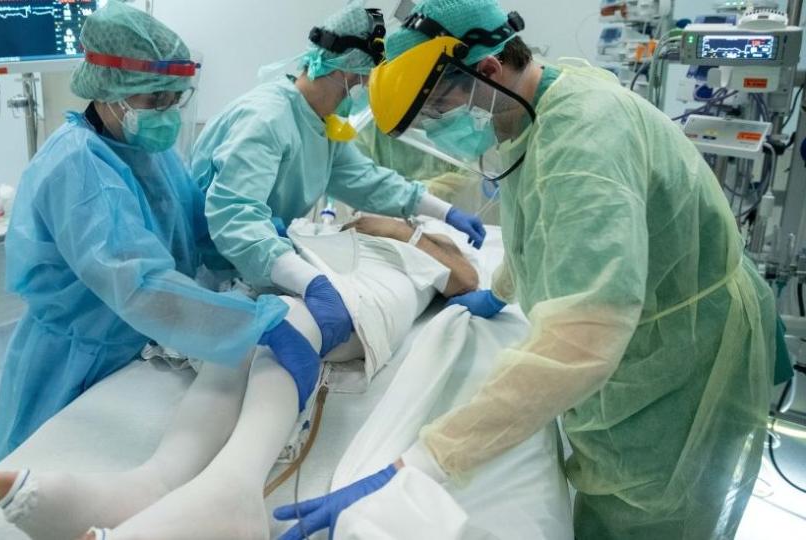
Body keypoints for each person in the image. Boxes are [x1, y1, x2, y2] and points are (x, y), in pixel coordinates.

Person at [275, 1, 781, 539]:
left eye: (438, 111)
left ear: (487, 71)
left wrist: (423, 461)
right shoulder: (536, 105)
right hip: (654, 325)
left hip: (682, 358)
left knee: (647, 515)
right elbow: (547, 226)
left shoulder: (585, 140)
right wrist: (499, 289)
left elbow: (580, 344)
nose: (440, 128)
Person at [0, 215, 483, 540]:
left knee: (290, 315)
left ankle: (234, 485)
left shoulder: (418, 242)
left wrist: (408, 227)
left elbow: (465, 276)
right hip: (317, 266)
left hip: (378, 286)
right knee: (247, 324)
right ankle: (158, 480)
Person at [0, 2, 297, 465]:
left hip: (136, 343)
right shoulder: (77, 166)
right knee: (52, 476)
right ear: (109, 91)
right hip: (78, 354)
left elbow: (201, 231)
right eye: (156, 99)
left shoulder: (149, 152)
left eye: (175, 98)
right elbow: (140, 285)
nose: (168, 112)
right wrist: (255, 325)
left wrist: (270, 254)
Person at [190, 1, 486, 357]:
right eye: (365, 82)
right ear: (344, 72)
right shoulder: (266, 120)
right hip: (217, 268)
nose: (364, 95)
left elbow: (367, 180)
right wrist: (308, 280)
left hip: (260, 260)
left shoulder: (322, 123)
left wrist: (444, 211)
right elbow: (234, 216)